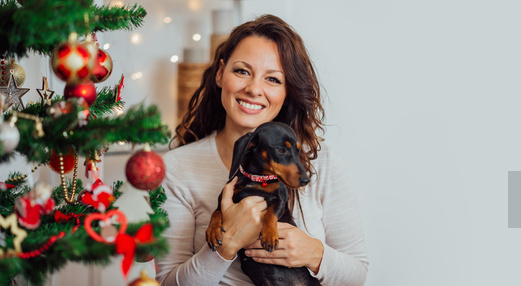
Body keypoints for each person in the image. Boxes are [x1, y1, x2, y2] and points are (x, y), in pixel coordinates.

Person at [155, 15, 369, 285]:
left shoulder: (321, 163)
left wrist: (313, 253)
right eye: (242, 71)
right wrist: (226, 245)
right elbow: (166, 283)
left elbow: (357, 274)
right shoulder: (177, 168)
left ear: (287, 91)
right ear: (220, 73)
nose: (254, 89)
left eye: (273, 79)